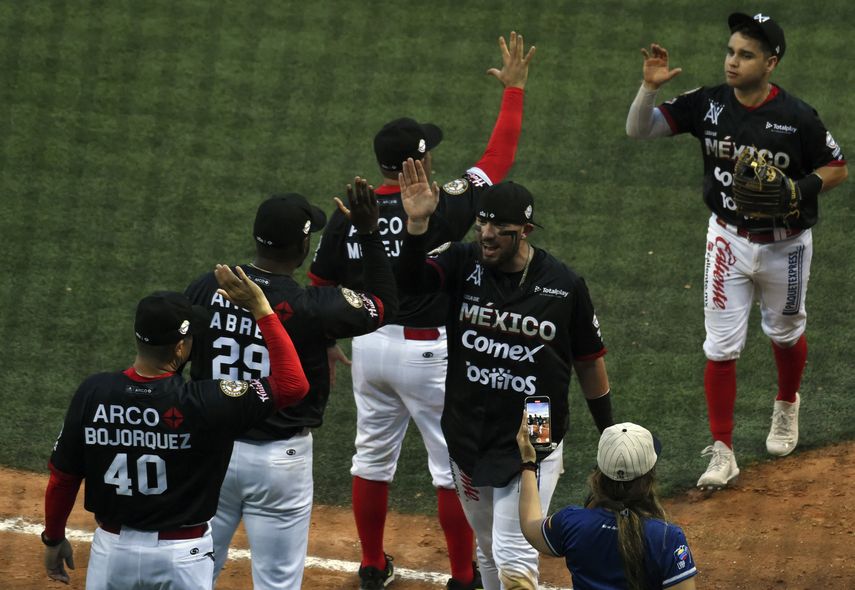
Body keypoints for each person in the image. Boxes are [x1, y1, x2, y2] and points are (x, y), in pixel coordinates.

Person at [309, 31, 535, 590]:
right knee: (449, 467)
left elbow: (317, 284)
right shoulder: (445, 206)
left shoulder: (350, 212)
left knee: (370, 459)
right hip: (430, 353)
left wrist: (327, 341)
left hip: (370, 348)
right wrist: (514, 91)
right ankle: (463, 576)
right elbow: (497, 161)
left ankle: (369, 566)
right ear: (421, 160)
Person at [625, 12, 848, 488]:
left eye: (745, 55)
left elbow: (836, 167)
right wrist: (649, 89)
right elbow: (639, 131)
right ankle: (723, 449)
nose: (732, 61)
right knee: (721, 346)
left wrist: (797, 192)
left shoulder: (797, 117)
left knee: (785, 334)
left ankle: (786, 403)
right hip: (727, 238)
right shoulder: (707, 104)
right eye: (730, 51)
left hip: (785, 245)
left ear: (770, 63)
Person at [394, 158, 615, 590]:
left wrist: (608, 430)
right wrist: (417, 226)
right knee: (489, 549)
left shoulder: (564, 286)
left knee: (515, 554)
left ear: (525, 232)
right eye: (482, 225)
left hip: (534, 429)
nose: (487, 236)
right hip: (467, 430)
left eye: (500, 229)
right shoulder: (462, 262)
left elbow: (589, 360)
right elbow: (412, 284)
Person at [184, 180, 398, 588]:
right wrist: (369, 233)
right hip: (279, 463)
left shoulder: (209, 286)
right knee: (278, 581)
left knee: (193, 570)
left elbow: (177, 353)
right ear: (302, 248)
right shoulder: (313, 307)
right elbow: (385, 303)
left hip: (210, 451)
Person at [41, 268, 310, 588]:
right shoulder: (208, 400)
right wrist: (262, 311)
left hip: (111, 554)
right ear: (180, 347)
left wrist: (53, 538)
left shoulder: (94, 392)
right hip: (182, 558)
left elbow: (63, 479)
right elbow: (293, 385)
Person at [517, 417, 699, 590]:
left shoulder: (571, 523)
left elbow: (528, 525)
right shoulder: (667, 538)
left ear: (599, 472)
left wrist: (528, 462)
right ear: (649, 477)